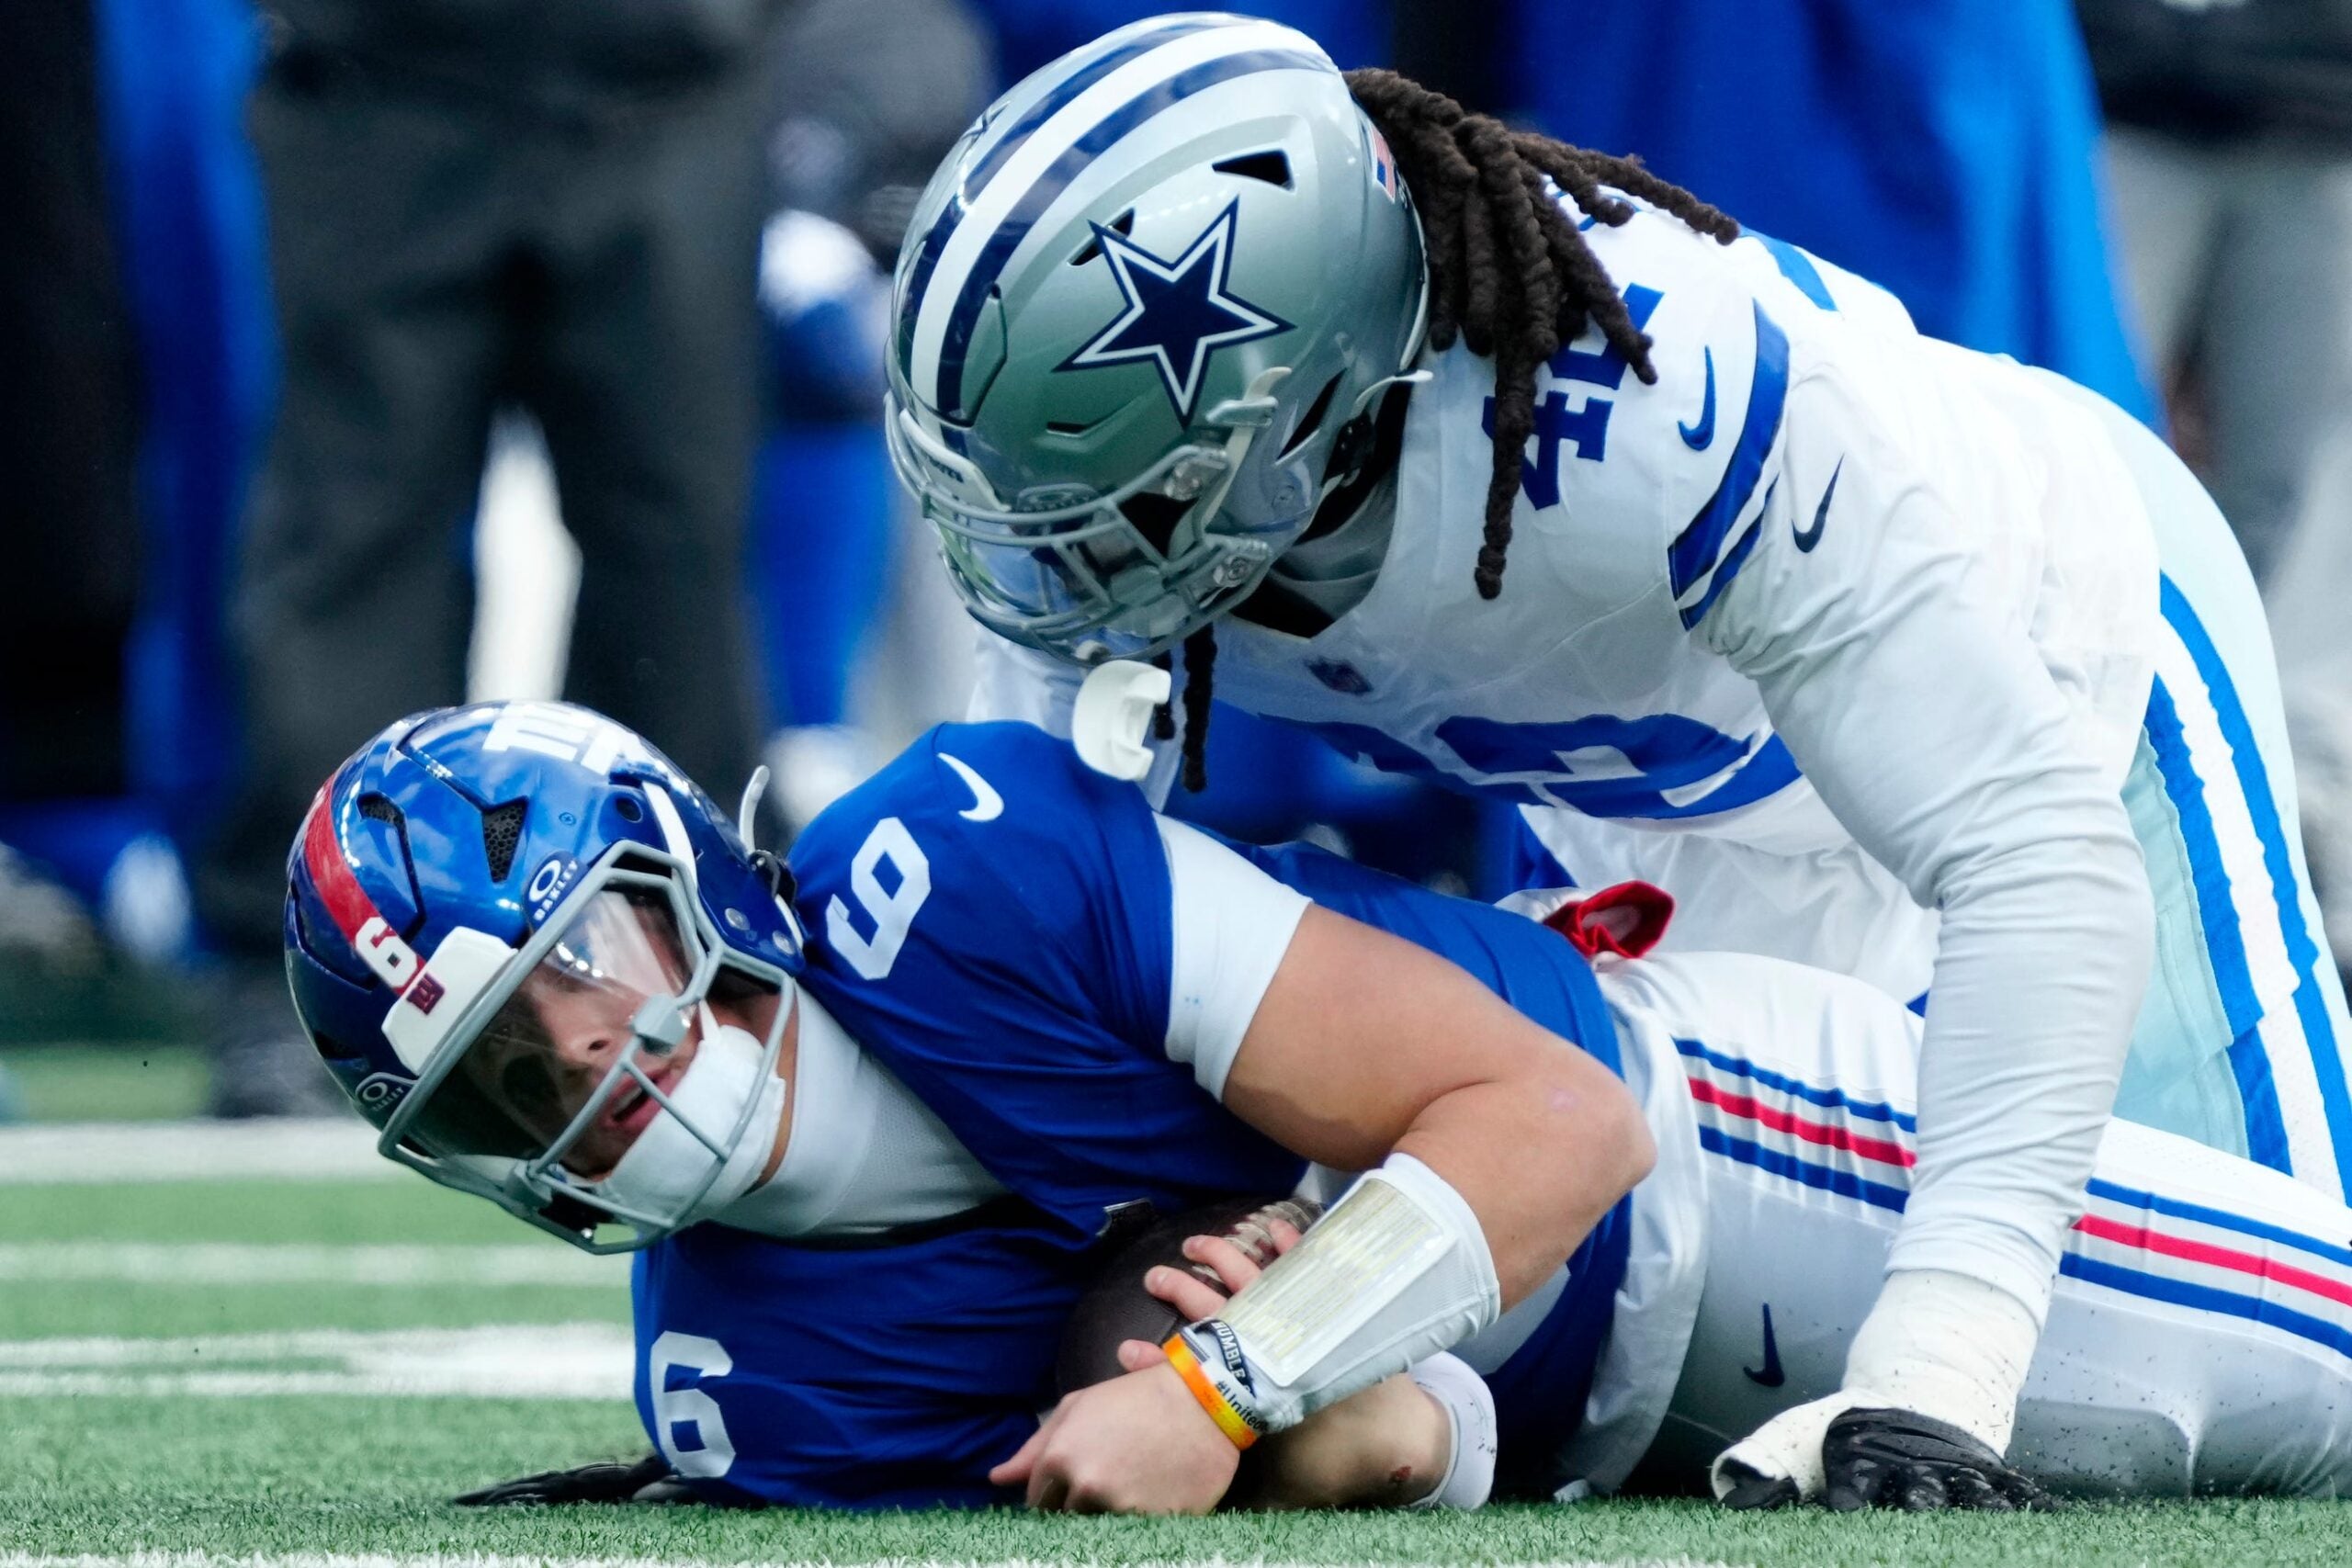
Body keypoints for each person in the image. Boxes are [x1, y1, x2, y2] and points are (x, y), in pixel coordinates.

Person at [885, 15, 2352, 1500]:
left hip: (2053, 672)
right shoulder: (1173, 510)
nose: (1053, 566)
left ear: (1303, 412)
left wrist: (1941, 1367)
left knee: (2303, 1368)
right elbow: (1020, 934)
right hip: (1641, 795)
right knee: (1690, 1315)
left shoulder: (1656, 411)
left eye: (1120, 494)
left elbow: (2030, 853)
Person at [285, 700, 2352, 1510]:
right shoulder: (752, 1383)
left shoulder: (962, 870)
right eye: (496, 1073)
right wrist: (1293, 1394)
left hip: (1739, 1164)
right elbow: (1372, 1447)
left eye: (573, 962)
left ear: (683, 874)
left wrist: (1222, 1375)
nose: (579, 1054)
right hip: (1576, 1432)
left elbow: (1556, 1127)